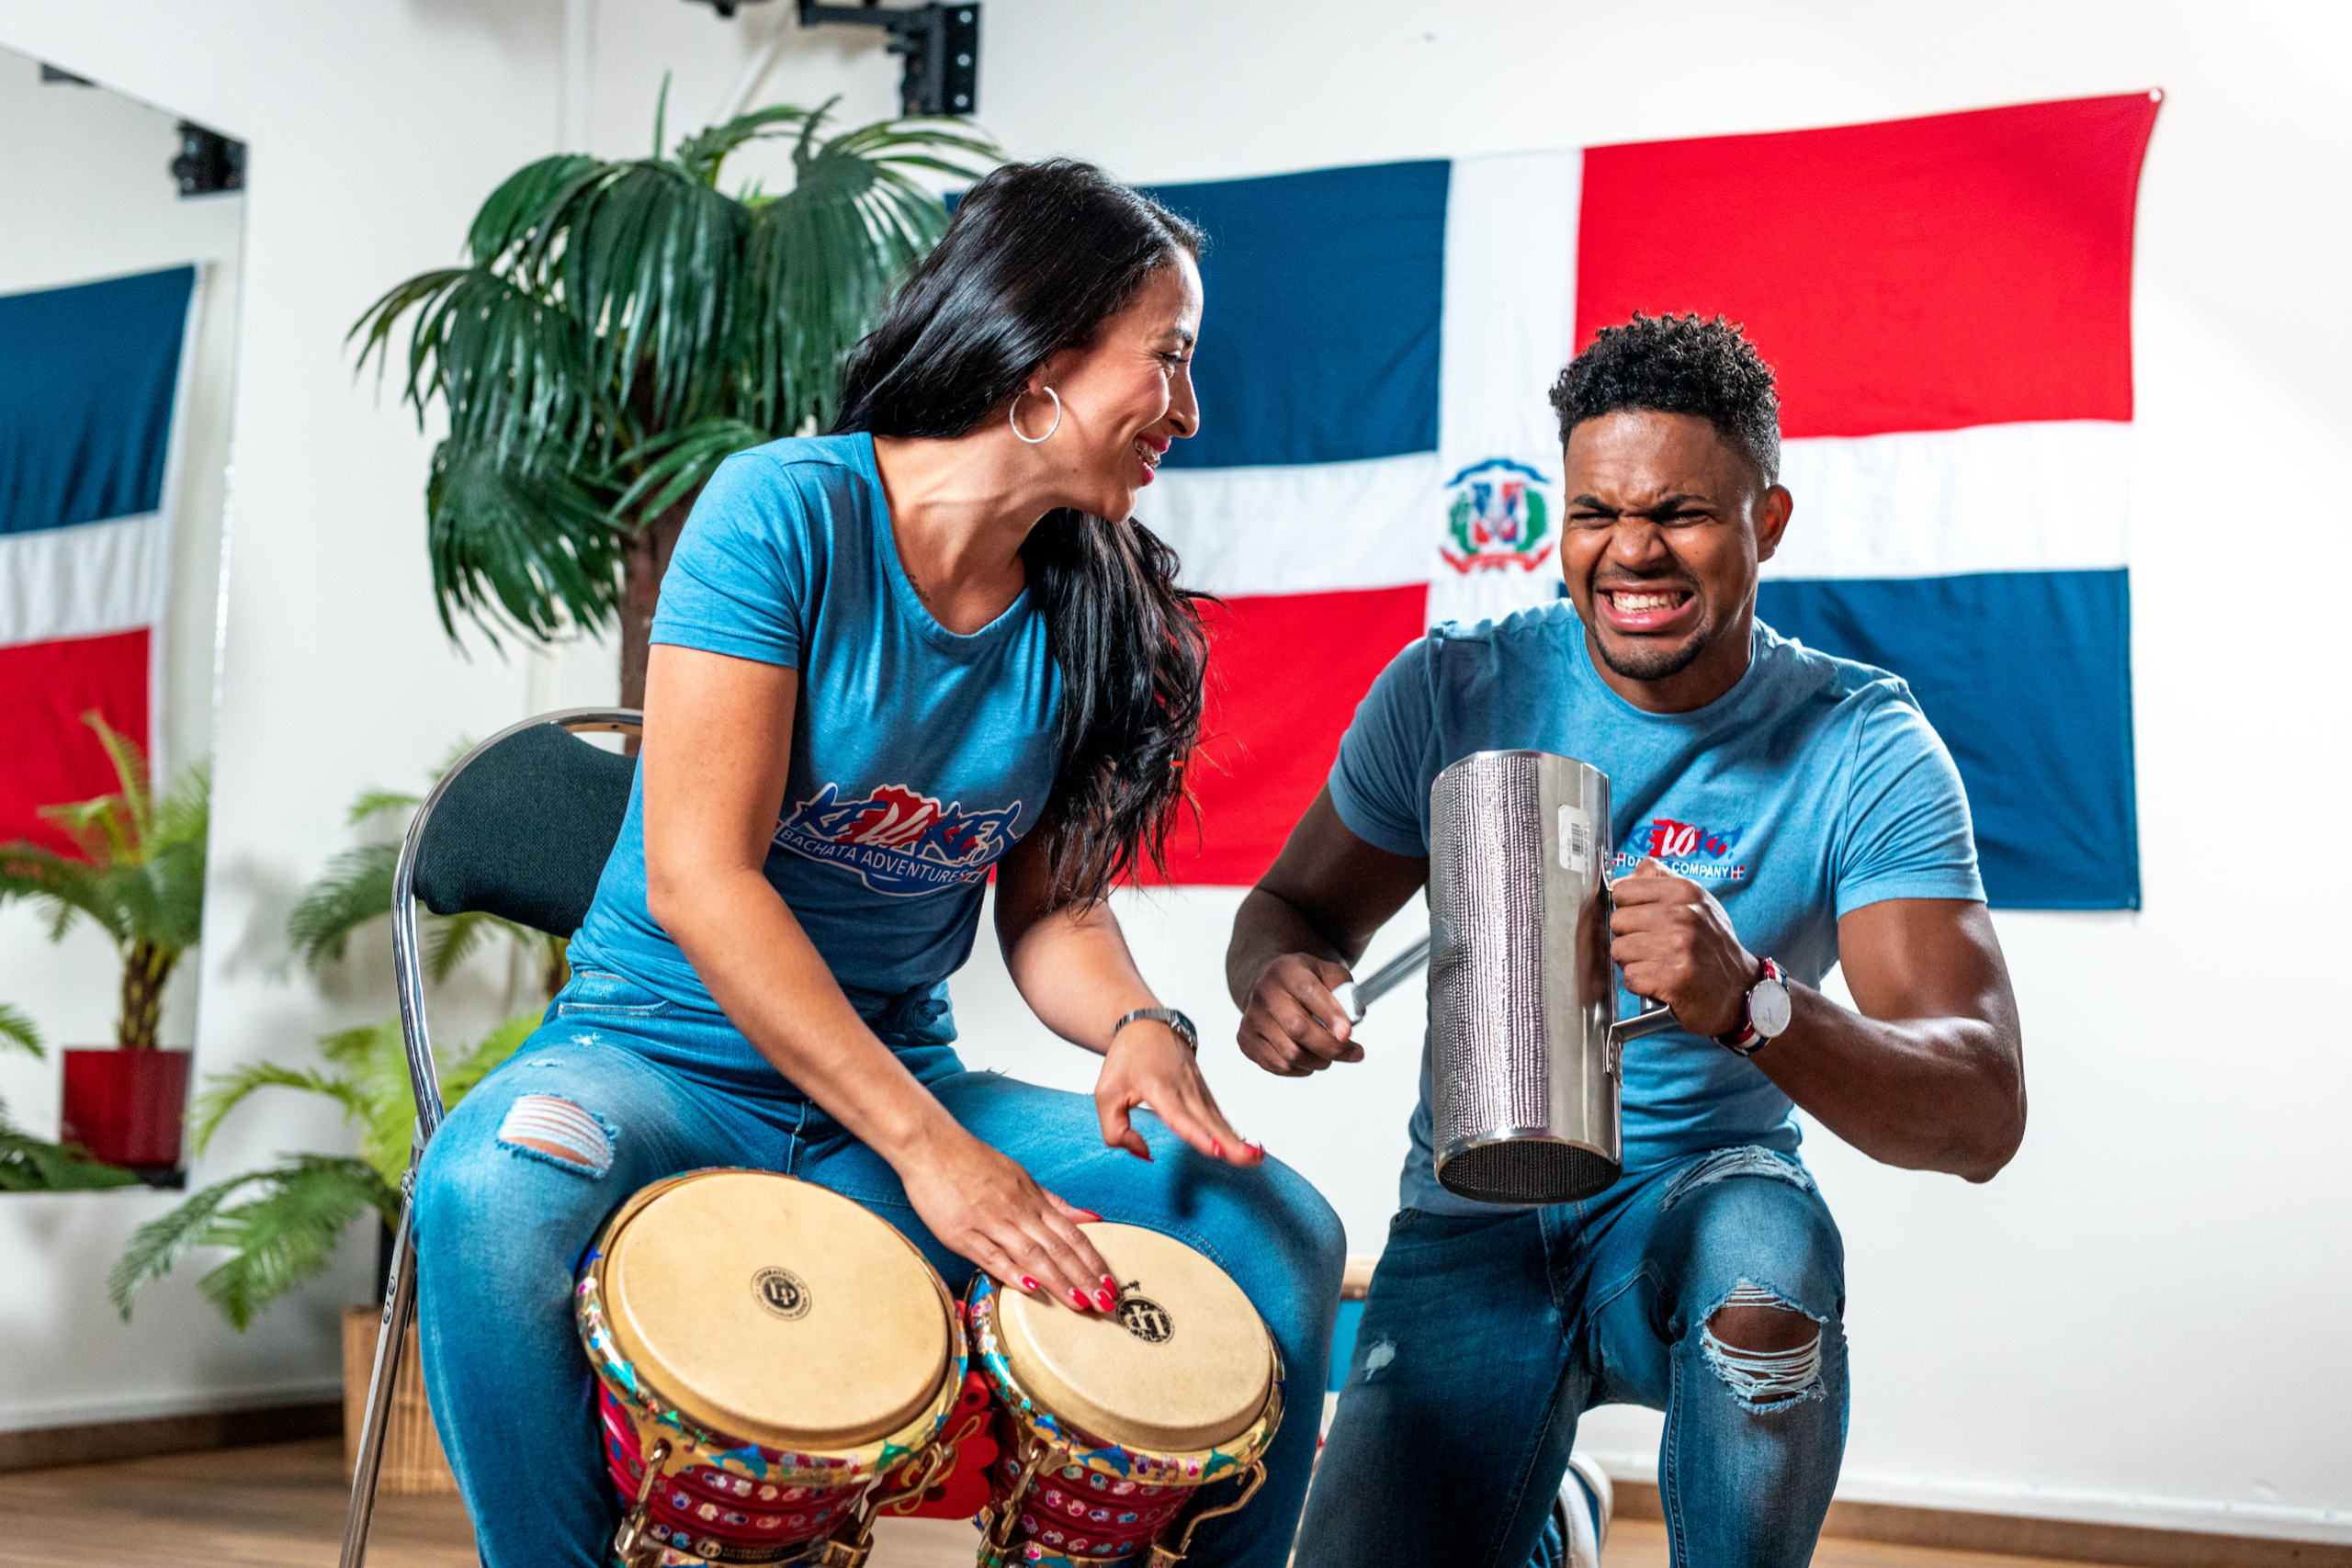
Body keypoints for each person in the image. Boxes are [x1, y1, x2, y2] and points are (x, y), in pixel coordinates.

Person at [413, 160, 1345, 1568]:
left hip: (895, 1092)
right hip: (655, 1066)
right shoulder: (781, 512)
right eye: (1168, 360)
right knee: (490, 1189)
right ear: (1041, 351)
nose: (1188, 413)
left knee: (1281, 1232)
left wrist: (1141, 1028)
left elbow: (1050, 914)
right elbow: (699, 878)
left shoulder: (1098, 608)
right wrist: (936, 1155)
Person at [1227, 313, 2026, 1567]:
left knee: (1768, 1265)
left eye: (1682, 513)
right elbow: (1293, 912)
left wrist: (1752, 1002)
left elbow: (1982, 1112)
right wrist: (1274, 978)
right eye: (1596, 511)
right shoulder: (1452, 691)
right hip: (1471, 1208)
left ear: (1767, 521)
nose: (1631, 550)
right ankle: (1546, 1515)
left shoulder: (1861, 741)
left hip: (1695, 1203)